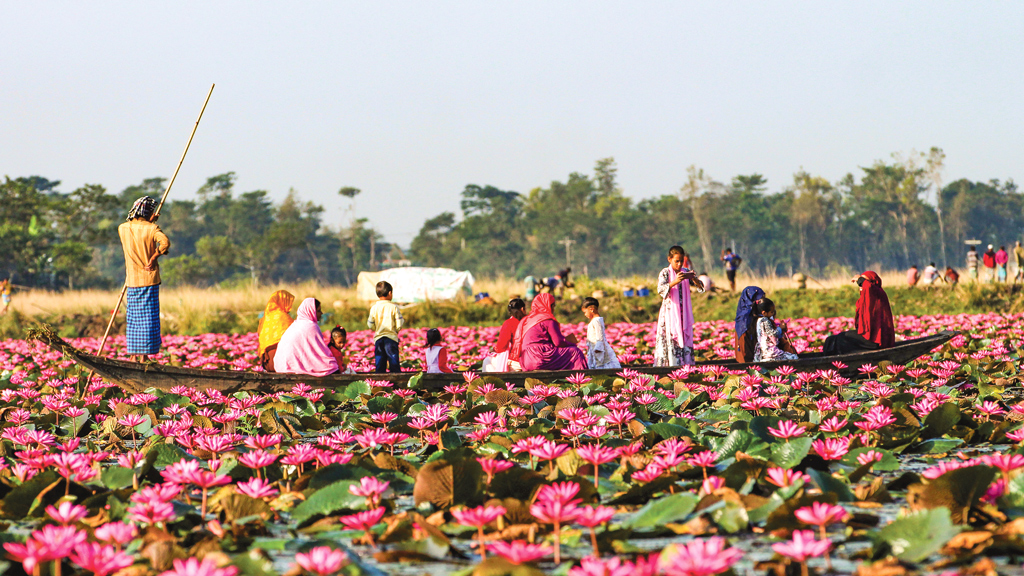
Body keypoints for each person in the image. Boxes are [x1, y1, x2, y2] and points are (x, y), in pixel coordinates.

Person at [117, 196, 170, 361]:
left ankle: (133, 356)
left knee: (133, 319)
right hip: (149, 279)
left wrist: (149, 221)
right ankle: (144, 357)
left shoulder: (123, 228)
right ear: (149, 213)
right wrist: (154, 257)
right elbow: (165, 243)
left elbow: (137, 227)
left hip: (132, 281)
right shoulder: (152, 229)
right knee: (148, 319)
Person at [509, 292, 588, 371]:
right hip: (541, 357)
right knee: (576, 352)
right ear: (548, 305)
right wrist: (571, 342)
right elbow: (558, 342)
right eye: (553, 306)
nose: (553, 309)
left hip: (526, 360)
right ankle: (582, 380)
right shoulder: (547, 319)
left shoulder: (526, 320)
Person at [822, 271, 895, 355]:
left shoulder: (877, 293)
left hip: (877, 339)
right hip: (868, 336)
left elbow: (869, 288)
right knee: (831, 339)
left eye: (863, 283)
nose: (861, 286)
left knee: (841, 339)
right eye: (860, 284)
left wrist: (860, 279)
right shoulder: (864, 300)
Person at [655, 246, 703, 367]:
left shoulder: (685, 270)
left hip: (684, 313)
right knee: (671, 339)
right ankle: (671, 365)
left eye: (681, 260)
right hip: (670, 313)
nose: (679, 263)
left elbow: (701, 288)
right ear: (669, 259)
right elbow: (660, 290)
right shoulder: (665, 273)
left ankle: (686, 365)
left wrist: (695, 280)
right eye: (677, 261)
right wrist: (675, 282)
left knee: (685, 337)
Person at [274, 298, 339, 376]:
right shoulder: (311, 326)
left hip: (281, 367)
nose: (321, 313)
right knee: (332, 366)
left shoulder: (295, 324)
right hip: (292, 368)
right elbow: (321, 352)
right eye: (318, 311)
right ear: (311, 311)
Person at [367, 281, 404, 373]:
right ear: (390, 293)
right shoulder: (394, 307)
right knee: (394, 362)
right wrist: (396, 330)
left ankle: (379, 382)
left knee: (380, 363)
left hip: (379, 338)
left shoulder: (374, 308)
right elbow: (399, 323)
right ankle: (396, 383)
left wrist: (376, 329)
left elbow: (370, 324)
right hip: (391, 338)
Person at [482, 298, 526, 372]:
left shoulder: (509, 323)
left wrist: (494, 349)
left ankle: (492, 382)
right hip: (530, 358)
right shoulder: (529, 321)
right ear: (522, 309)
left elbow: (502, 346)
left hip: (516, 360)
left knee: (487, 361)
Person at [257, 290, 296, 372]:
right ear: (283, 302)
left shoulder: (266, 318)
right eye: (288, 302)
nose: (290, 307)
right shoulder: (284, 317)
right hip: (281, 363)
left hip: (267, 364)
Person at [752, 298, 799, 362]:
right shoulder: (765, 321)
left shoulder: (759, 320)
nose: (773, 313)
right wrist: (780, 328)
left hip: (762, 349)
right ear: (764, 313)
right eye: (772, 312)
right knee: (793, 357)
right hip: (769, 350)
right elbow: (772, 334)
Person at [582, 297, 620, 369]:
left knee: (603, 363)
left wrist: (598, 348)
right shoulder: (595, 320)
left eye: (585, 312)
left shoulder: (597, 321)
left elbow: (600, 336)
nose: (585, 315)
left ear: (591, 309)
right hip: (594, 347)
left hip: (599, 348)